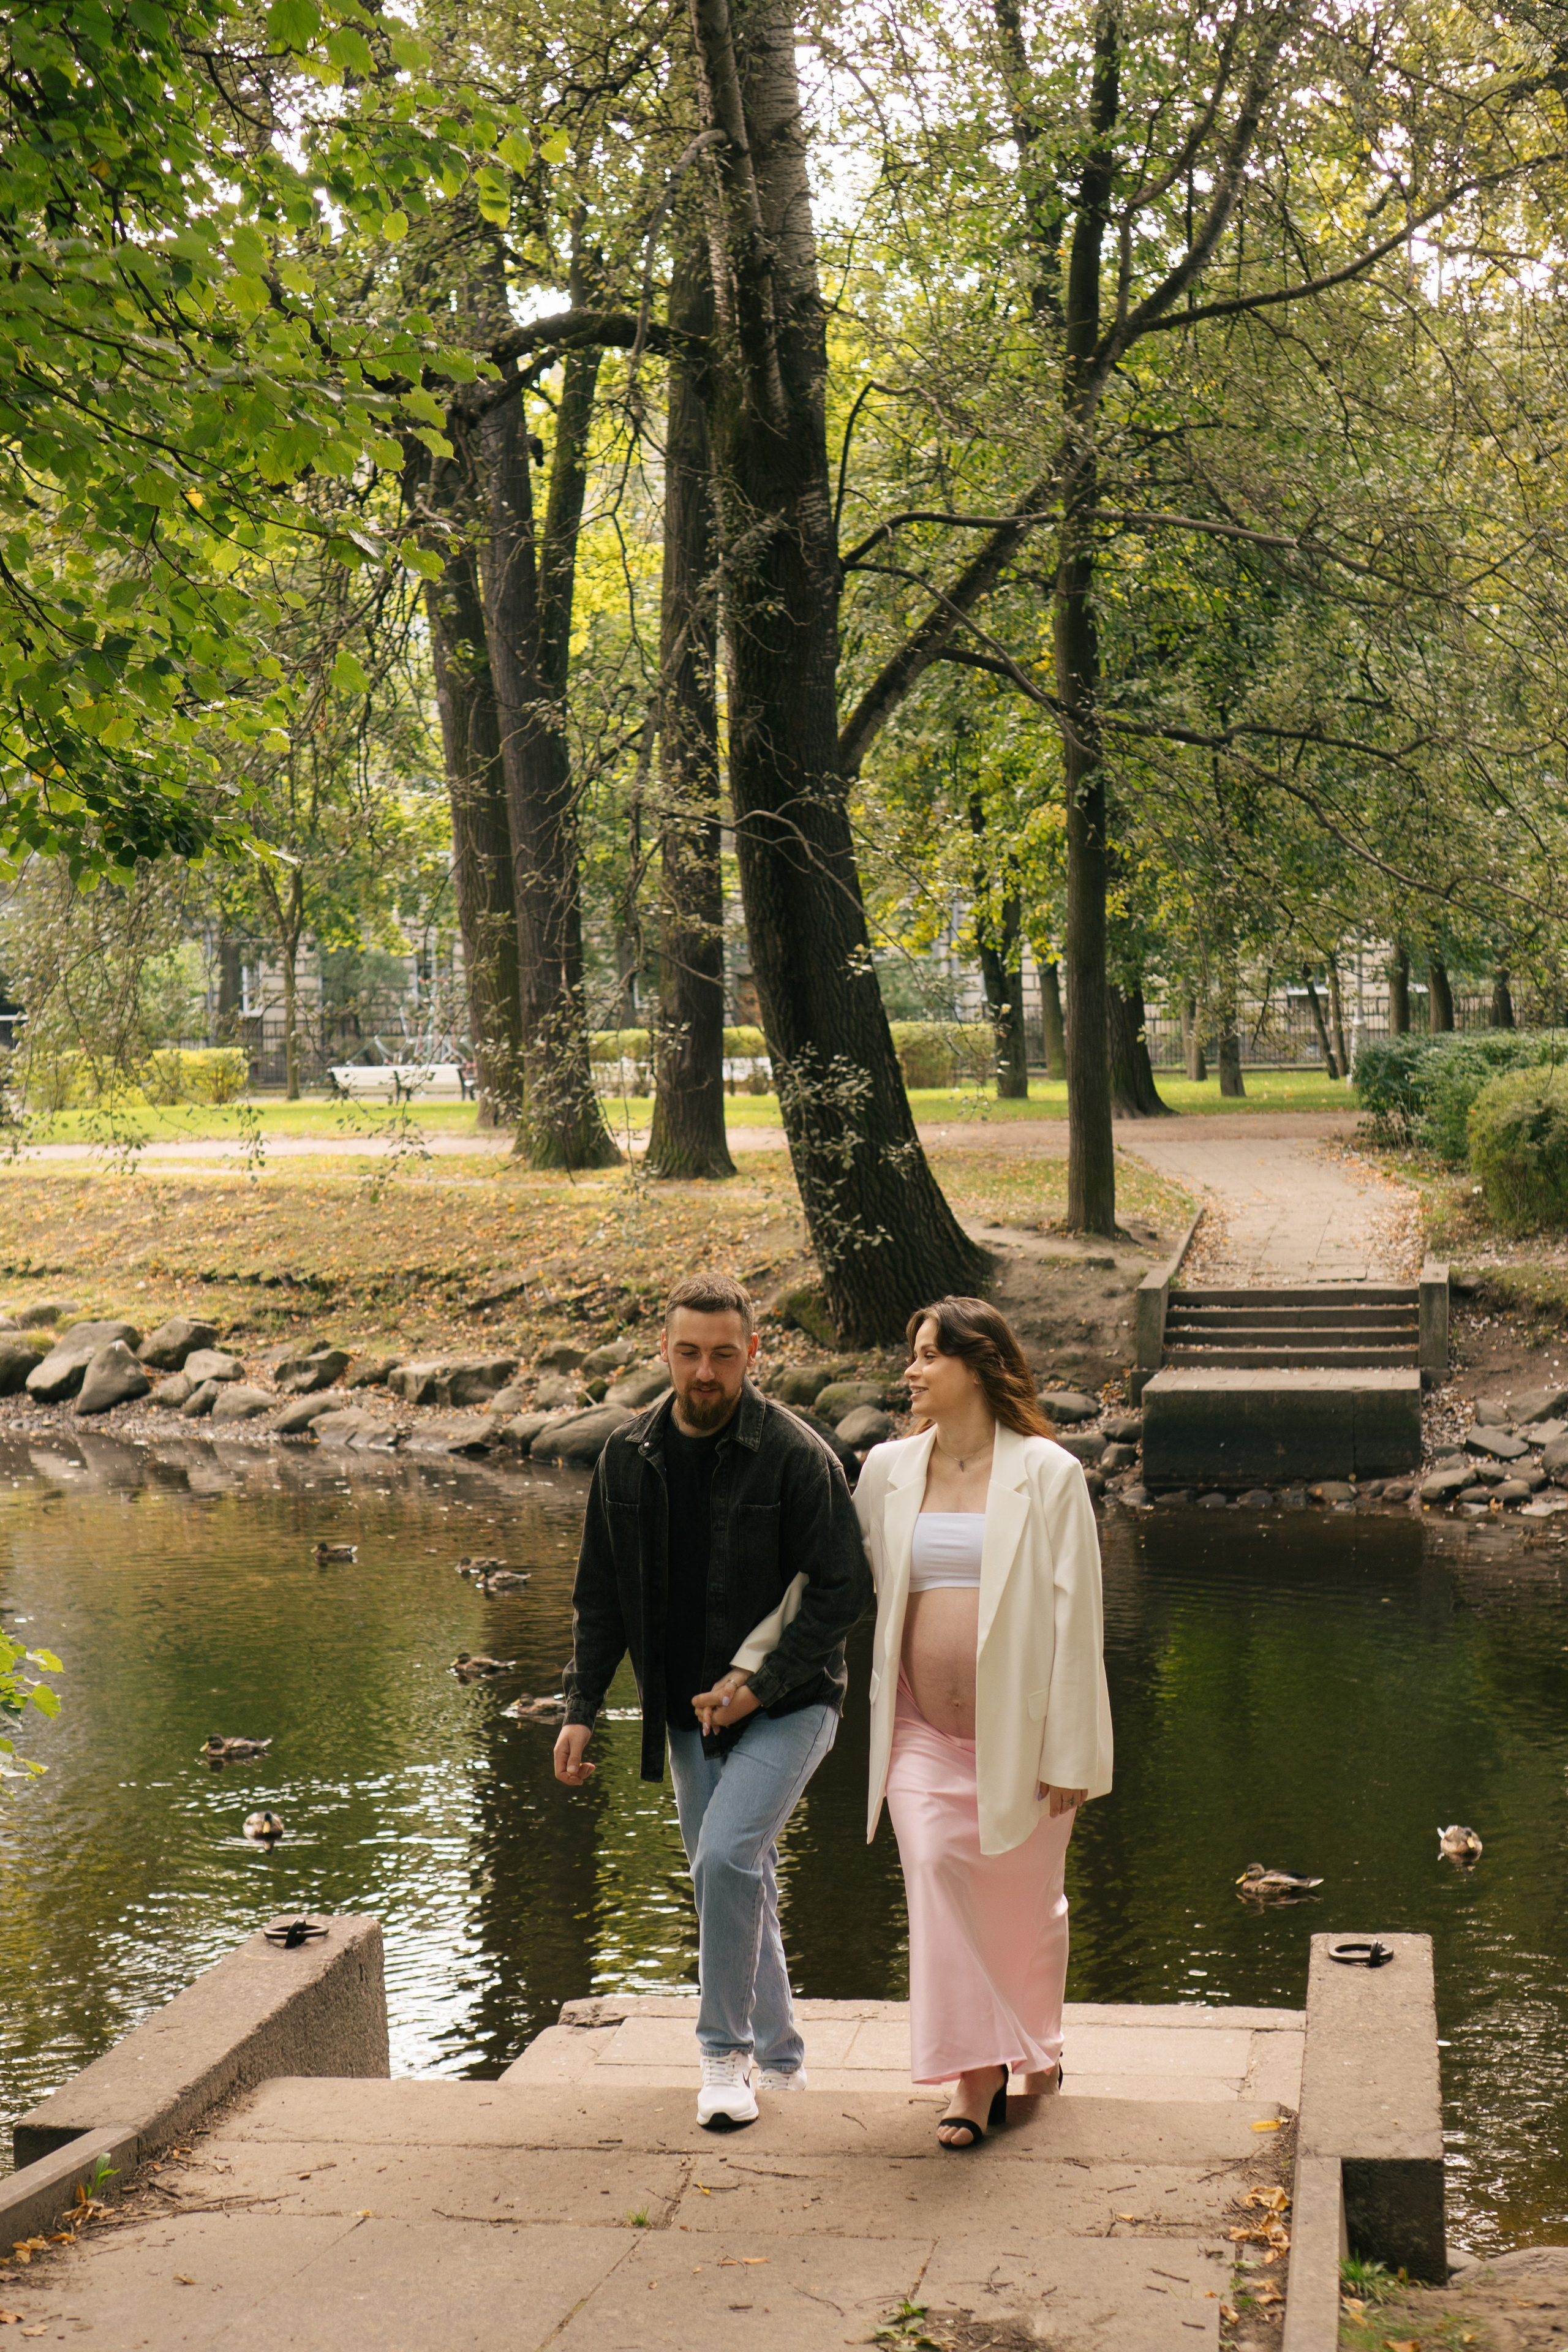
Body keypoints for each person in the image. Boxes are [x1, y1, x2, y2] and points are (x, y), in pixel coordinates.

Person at [554, 1273, 873, 2130]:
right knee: (734, 1874)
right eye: (689, 1353)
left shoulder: (798, 1456)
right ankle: (783, 2059)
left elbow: (843, 1592)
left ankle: (722, 2055)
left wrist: (759, 1685)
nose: (705, 1373)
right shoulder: (627, 1456)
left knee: (727, 1858)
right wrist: (580, 1706)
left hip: (792, 1703)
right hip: (682, 1713)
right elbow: (602, 1598)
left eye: (723, 1356)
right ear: (665, 1351)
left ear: (752, 1355)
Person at [855, 1296, 1113, 2149]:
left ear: (979, 1365)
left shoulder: (1048, 1474)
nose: (913, 1370)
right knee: (933, 1869)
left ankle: (1039, 2044)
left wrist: (1070, 1748)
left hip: (1027, 1737)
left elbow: (1078, 1621)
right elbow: (833, 1589)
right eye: (915, 1354)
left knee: (1023, 1908)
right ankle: (974, 2076)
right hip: (920, 1733)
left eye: (931, 1356)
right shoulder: (886, 1470)